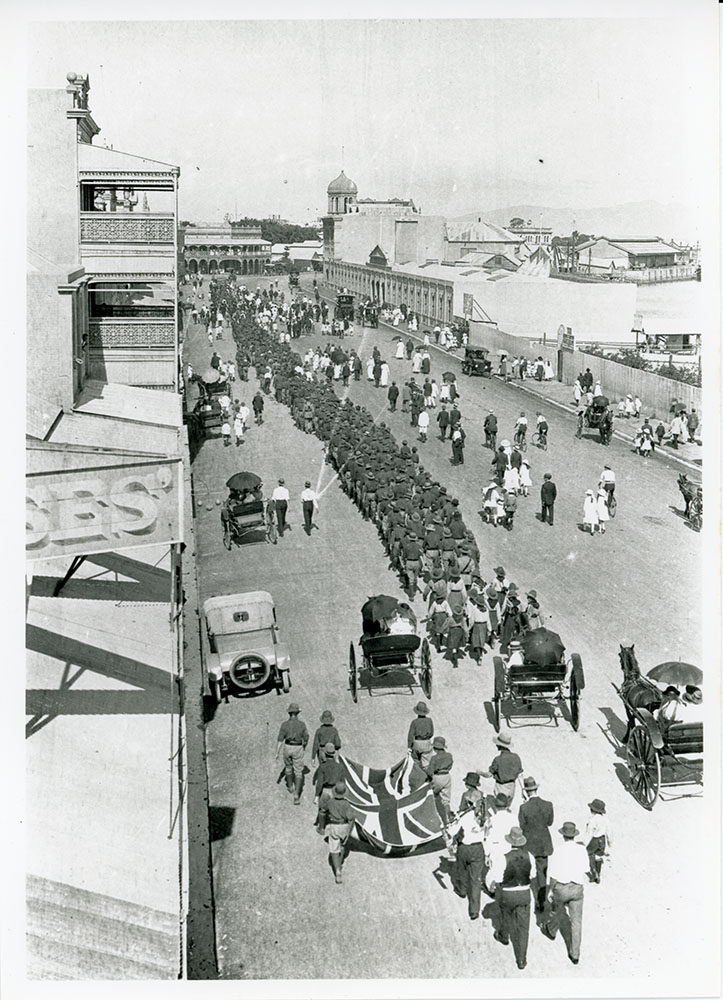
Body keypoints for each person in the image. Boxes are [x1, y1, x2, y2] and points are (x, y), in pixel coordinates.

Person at [487, 827, 536, 970]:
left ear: (510, 842)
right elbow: (532, 875)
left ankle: (503, 935)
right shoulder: (530, 856)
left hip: (508, 893)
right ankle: (521, 959)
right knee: (523, 927)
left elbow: (496, 877)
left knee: (506, 915)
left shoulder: (503, 857)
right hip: (524, 893)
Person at [542, 821, 589, 964]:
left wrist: (550, 890)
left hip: (561, 888)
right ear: (574, 835)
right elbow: (586, 869)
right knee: (576, 922)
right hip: (577, 888)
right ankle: (575, 954)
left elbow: (553, 875)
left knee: (557, 911)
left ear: (563, 835)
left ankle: (551, 930)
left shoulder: (559, 850)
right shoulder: (582, 850)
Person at [518, 776, 554, 913]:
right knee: (542, 873)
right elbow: (549, 823)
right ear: (536, 789)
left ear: (526, 792)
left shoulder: (523, 807)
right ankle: (541, 901)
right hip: (543, 844)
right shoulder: (548, 804)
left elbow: (522, 826)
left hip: (529, 843)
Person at [448, 796, 487, 920]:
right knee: (476, 879)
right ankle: (474, 910)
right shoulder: (484, 815)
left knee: (462, 870)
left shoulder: (465, 816)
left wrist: (454, 821)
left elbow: (452, 831)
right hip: (478, 848)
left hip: (465, 847)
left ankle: (462, 890)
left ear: (469, 802)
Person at [320, 781, 354, 884]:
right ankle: (340, 863)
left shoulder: (331, 802)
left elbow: (323, 809)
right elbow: (351, 819)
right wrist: (349, 832)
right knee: (342, 846)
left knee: (334, 849)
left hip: (334, 826)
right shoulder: (347, 804)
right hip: (344, 826)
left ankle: (337, 871)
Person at [275, 702, 309, 804]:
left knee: (288, 767)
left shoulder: (284, 725)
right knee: (298, 771)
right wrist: (304, 746)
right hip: (298, 747)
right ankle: (296, 795)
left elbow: (280, 740)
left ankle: (290, 786)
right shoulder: (302, 725)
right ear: (297, 713)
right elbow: (306, 737)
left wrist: (276, 753)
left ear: (289, 713)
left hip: (287, 747)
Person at [481, 732, 523, 803]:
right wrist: (523, 789)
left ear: (500, 745)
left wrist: (480, 772)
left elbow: (489, 774)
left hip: (500, 787)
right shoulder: (516, 757)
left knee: (499, 807)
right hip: (511, 787)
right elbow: (520, 775)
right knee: (507, 806)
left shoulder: (498, 759)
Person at [314, 744, 346, 833]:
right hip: (336, 790)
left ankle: (321, 828)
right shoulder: (340, 767)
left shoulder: (322, 767)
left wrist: (316, 796)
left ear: (324, 754)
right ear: (334, 754)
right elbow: (343, 782)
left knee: (322, 811)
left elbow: (320, 783)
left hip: (326, 791)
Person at [426, 736, 454, 824]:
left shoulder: (434, 758)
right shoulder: (449, 756)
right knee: (446, 800)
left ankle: (432, 818)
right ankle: (448, 818)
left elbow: (430, 772)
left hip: (437, 777)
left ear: (435, 748)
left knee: (432, 796)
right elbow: (450, 766)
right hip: (447, 776)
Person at [583, 799, 612, 883]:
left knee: (590, 854)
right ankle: (598, 874)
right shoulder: (606, 819)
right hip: (602, 840)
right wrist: (610, 842)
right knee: (598, 856)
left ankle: (593, 871)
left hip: (594, 840)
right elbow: (609, 831)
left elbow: (589, 833)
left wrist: (584, 844)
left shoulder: (592, 820)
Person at [408, 701, 434, 769]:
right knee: (426, 764)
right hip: (426, 742)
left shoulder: (414, 722)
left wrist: (409, 747)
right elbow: (431, 733)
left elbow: (410, 736)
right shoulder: (429, 720)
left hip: (417, 743)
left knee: (416, 762)